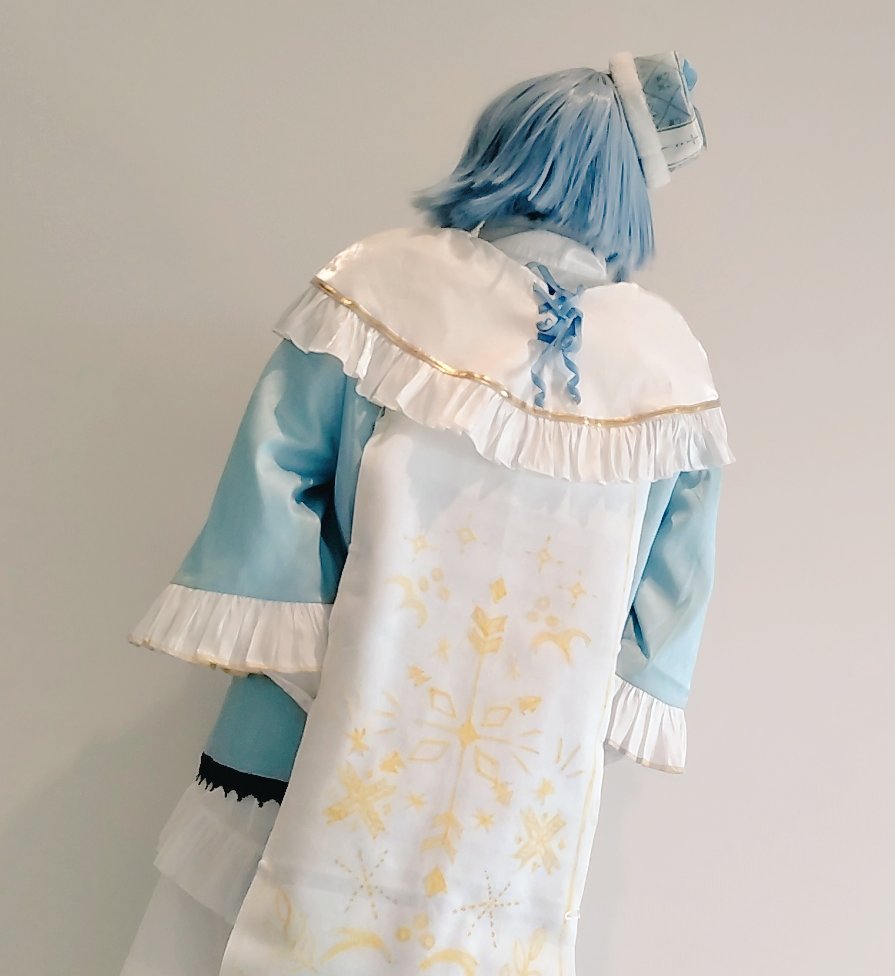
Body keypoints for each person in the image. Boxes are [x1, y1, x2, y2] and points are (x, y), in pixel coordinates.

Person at [121, 51, 733, 976]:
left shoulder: (384, 287)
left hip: (301, 737)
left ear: (503, 149)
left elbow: (273, 472)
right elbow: (669, 600)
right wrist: (569, 719)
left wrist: (325, 670)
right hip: (509, 796)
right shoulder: (666, 369)